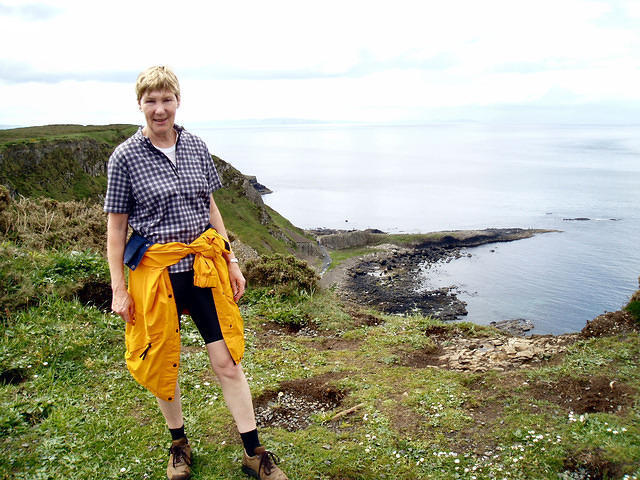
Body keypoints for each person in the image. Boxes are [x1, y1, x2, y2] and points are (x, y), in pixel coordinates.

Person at [104, 65, 288, 480]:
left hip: (203, 269)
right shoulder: (125, 157)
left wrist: (231, 258)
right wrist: (119, 289)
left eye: (166, 99)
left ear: (177, 101)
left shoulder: (196, 146)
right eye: (150, 100)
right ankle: (178, 444)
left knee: (227, 361)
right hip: (155, 273)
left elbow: (210, 207)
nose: (159, 108)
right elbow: (116, 229)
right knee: (164, 362)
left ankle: (253, 452)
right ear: (140, 104)